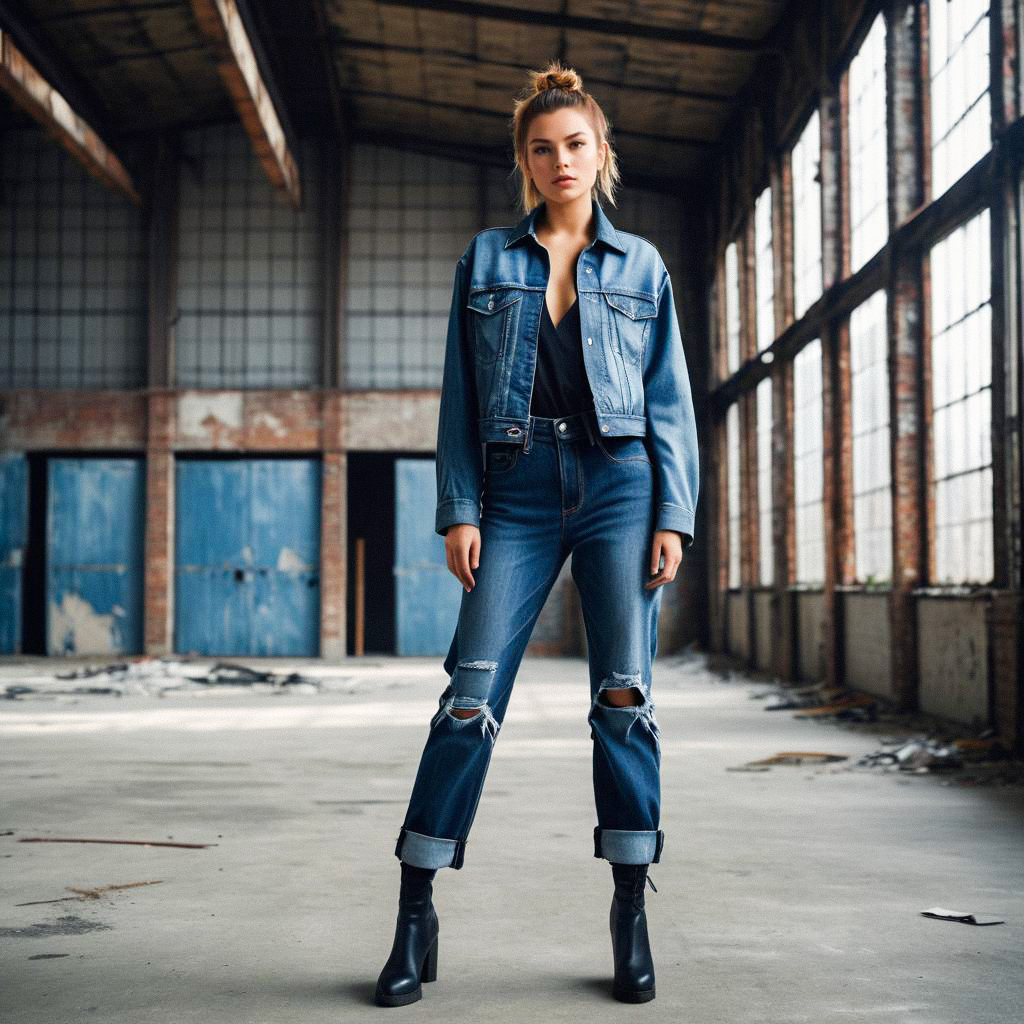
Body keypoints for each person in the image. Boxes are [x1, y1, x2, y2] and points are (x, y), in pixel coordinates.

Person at [375, 59, 699, 1007]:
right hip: (514, 491)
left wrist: (672, 513)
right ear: (524, 162)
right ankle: (413, 909)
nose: (560, 161)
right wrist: (460, 507)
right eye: (542, 148)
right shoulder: (487, 259)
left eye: (576, 145)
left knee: (624, 697)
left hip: (619, 485)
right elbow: (460, 400)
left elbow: (669, 402)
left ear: (602, 154)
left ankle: (630, 909)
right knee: (469, 700)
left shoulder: (641, 266)